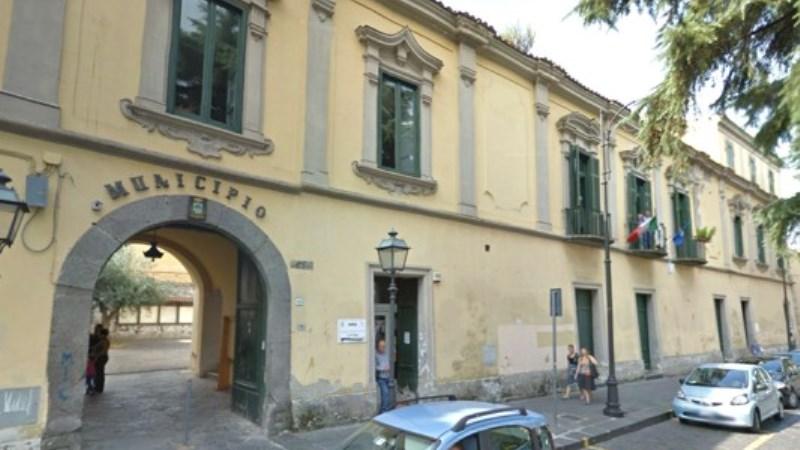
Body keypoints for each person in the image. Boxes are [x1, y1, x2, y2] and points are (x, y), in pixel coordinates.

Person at [91, 326, 111, 393]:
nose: (98, 335)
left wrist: (96, 357)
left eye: (100, 333)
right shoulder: (103, 341)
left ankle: (99, 388)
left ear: (103, 334)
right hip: (101, 357)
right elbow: (95, 347)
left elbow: (103, 351)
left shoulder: (104, 341)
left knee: (99, 373)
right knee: (99, 373)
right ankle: (98, 387)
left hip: (101, 358)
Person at [375, 338, 392, 413]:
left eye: (384, 346)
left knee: (386, 395)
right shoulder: (375, 355)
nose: (383, 348)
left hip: (387, 377)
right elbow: (374, 367)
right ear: (378, 346)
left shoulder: (386, 354)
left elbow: (387, 363)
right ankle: (384, 412)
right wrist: (383, 369)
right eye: (381, 346)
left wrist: (388, 368)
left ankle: (384, 410)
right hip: (381, 378)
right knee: (385, 394)